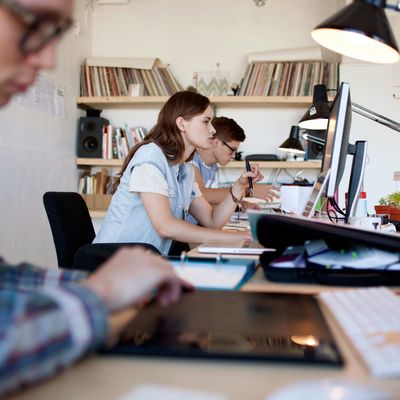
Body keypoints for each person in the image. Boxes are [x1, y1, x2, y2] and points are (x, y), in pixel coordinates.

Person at [0, 0, 187, 395]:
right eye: (33, 23)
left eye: (56, 34)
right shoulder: (154, 159)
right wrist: (98, 292)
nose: (49, 58)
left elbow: (7, 281)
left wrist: (107, 283)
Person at [93, 91, 263, 256]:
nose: (212, 130)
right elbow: (165, 226)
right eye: (206, 121)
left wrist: (239, 187)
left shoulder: (185, 170)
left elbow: (212, 221)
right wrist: (236, 237)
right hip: (111, 263)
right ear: (182, 124)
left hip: (145, 263)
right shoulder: (151, 157)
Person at [189, 116, 279, 224]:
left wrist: (239, 204)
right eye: (232, 150)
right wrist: (245, 190)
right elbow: (203, 194)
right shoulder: (191, 160)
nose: (233, 156)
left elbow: (206, 203)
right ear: (216, 142)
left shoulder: (213, 166)